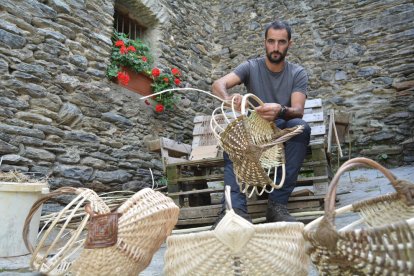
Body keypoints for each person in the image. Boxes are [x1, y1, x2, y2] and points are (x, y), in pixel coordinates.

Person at [211, 20, 311, 226]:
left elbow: (298, 110)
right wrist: (228, 99)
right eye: (271, 41)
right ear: (265, 42)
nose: (275, 48)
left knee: (303, 129)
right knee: (233, 139)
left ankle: (277, 206)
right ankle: (234, 210)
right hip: (254, 127)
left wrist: (280, 110)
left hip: (281, 125)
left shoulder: (297, 72)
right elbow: (219, 84)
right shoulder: (250, 66)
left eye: (281, 42)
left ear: (289, 44)